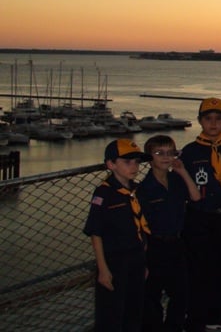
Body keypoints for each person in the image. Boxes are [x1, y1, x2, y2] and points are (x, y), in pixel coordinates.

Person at [179, 98, 221, 332]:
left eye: (218, 119)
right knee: (197, 268)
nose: (213, 123)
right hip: (198, 216)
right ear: (200, 121)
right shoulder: (190, 152)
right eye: (208, 119)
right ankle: (196, 318)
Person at [83, 139, 152, 332]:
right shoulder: (104, 194)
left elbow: (140, 228)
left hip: (136, 258)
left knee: (134, 310)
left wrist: (143, 262)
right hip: (114, 260)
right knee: (111, 314)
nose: (134, 167)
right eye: (127, 162)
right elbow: (96, 233)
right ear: (111, 164)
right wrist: (103, 269)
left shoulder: (136, 191)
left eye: (137, 162)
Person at [137, 135, 201, 332]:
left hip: (176, 243)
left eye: (170, 153)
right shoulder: (144, 189)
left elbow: (196, 196)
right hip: (154, 246)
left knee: (181, 292)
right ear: (149, 158)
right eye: (159, 153)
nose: (165, 157)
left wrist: (182, 172)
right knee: (152, 295)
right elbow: (140, 226)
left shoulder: (176, 180)